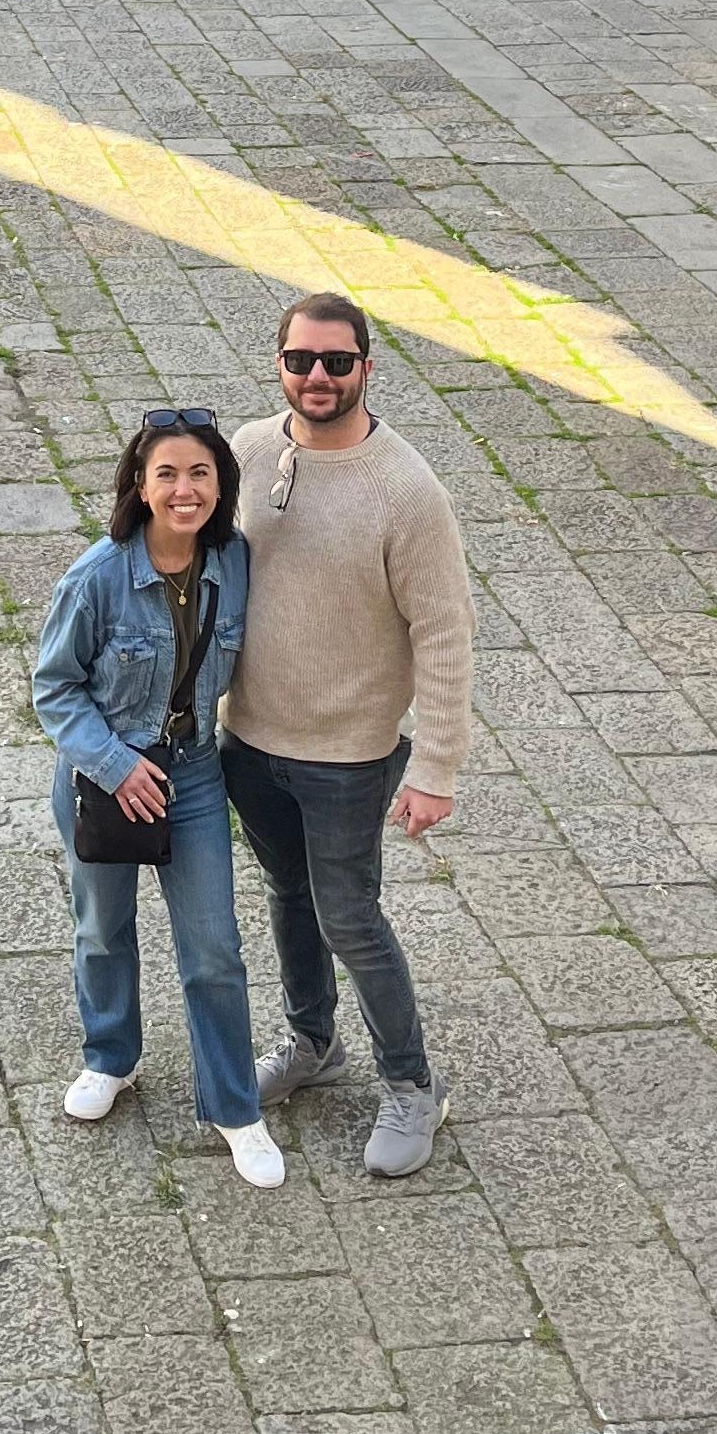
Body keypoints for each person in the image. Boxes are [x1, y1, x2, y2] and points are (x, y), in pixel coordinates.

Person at [221, 294, 473, 1180]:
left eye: (336, 361)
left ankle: (412, 1085)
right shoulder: (251, 454)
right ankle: (312, 1043)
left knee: (351, 918)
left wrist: (436, 765)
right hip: (250, 741)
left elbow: (443, 631)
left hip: (350, 756)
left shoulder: (407, 490)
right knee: (289, 898)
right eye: (300, 361)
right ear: (279, 364)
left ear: (369, 364)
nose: (317, 377)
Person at [32, 410, 284, 1189]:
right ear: (139, 487)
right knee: (102, 929)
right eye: (167, 474)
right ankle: (111, 1058)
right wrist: (114, 765)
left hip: (194, 774)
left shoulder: (234, 561)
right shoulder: (97, 577)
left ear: (221, 486)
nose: (185, 489)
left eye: (200, 474)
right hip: (106, 778)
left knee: (214, 948)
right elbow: (54, 688)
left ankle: (235, 1106)